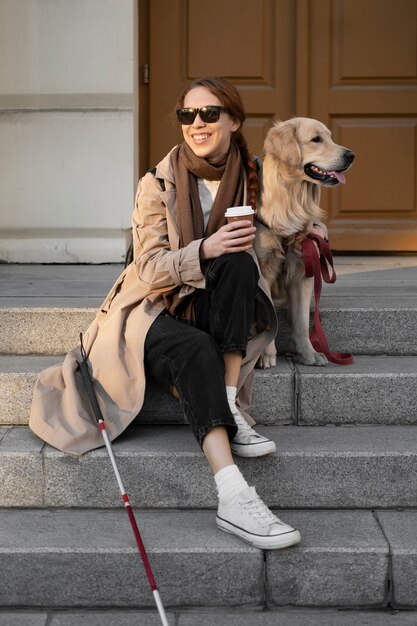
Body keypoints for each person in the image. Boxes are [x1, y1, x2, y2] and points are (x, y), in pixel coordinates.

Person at [30, 76, 322, 550]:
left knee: (236, 260)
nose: (197, 124)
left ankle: (226, 400)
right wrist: (204, 247)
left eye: (209, 114)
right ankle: (233, 493)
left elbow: (295, 209)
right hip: (152, 309)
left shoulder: (255, 178)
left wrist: (304, 232)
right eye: (188, 115)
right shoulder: (158, 181)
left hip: (214, 303)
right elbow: (145, 270)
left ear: (233, 121)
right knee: (196, 342)